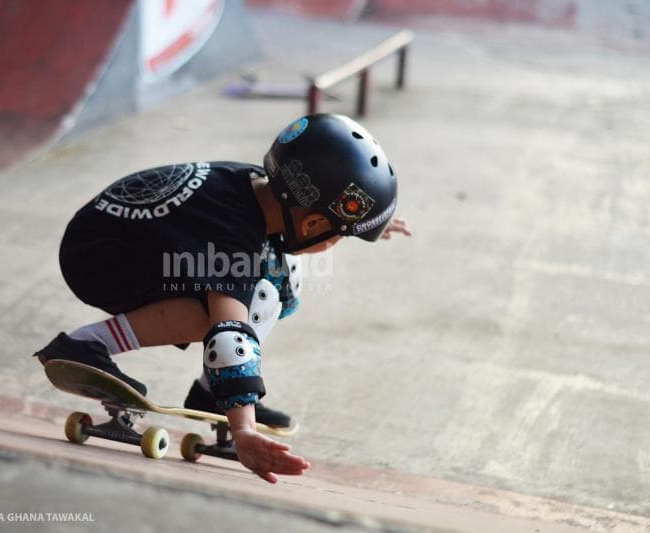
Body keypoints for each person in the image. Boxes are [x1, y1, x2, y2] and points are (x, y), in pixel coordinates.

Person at [33, 113, 411, 483]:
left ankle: (209, 394)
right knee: (233, 305)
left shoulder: (258, 187)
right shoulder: (232, 238)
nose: (336, 243)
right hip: (101, 260)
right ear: (312, 224)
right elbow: (230, 335)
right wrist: (243, 429)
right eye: (340, 235)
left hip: (125, 240)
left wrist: (368, 220)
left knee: (280, 279)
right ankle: (83, 345)